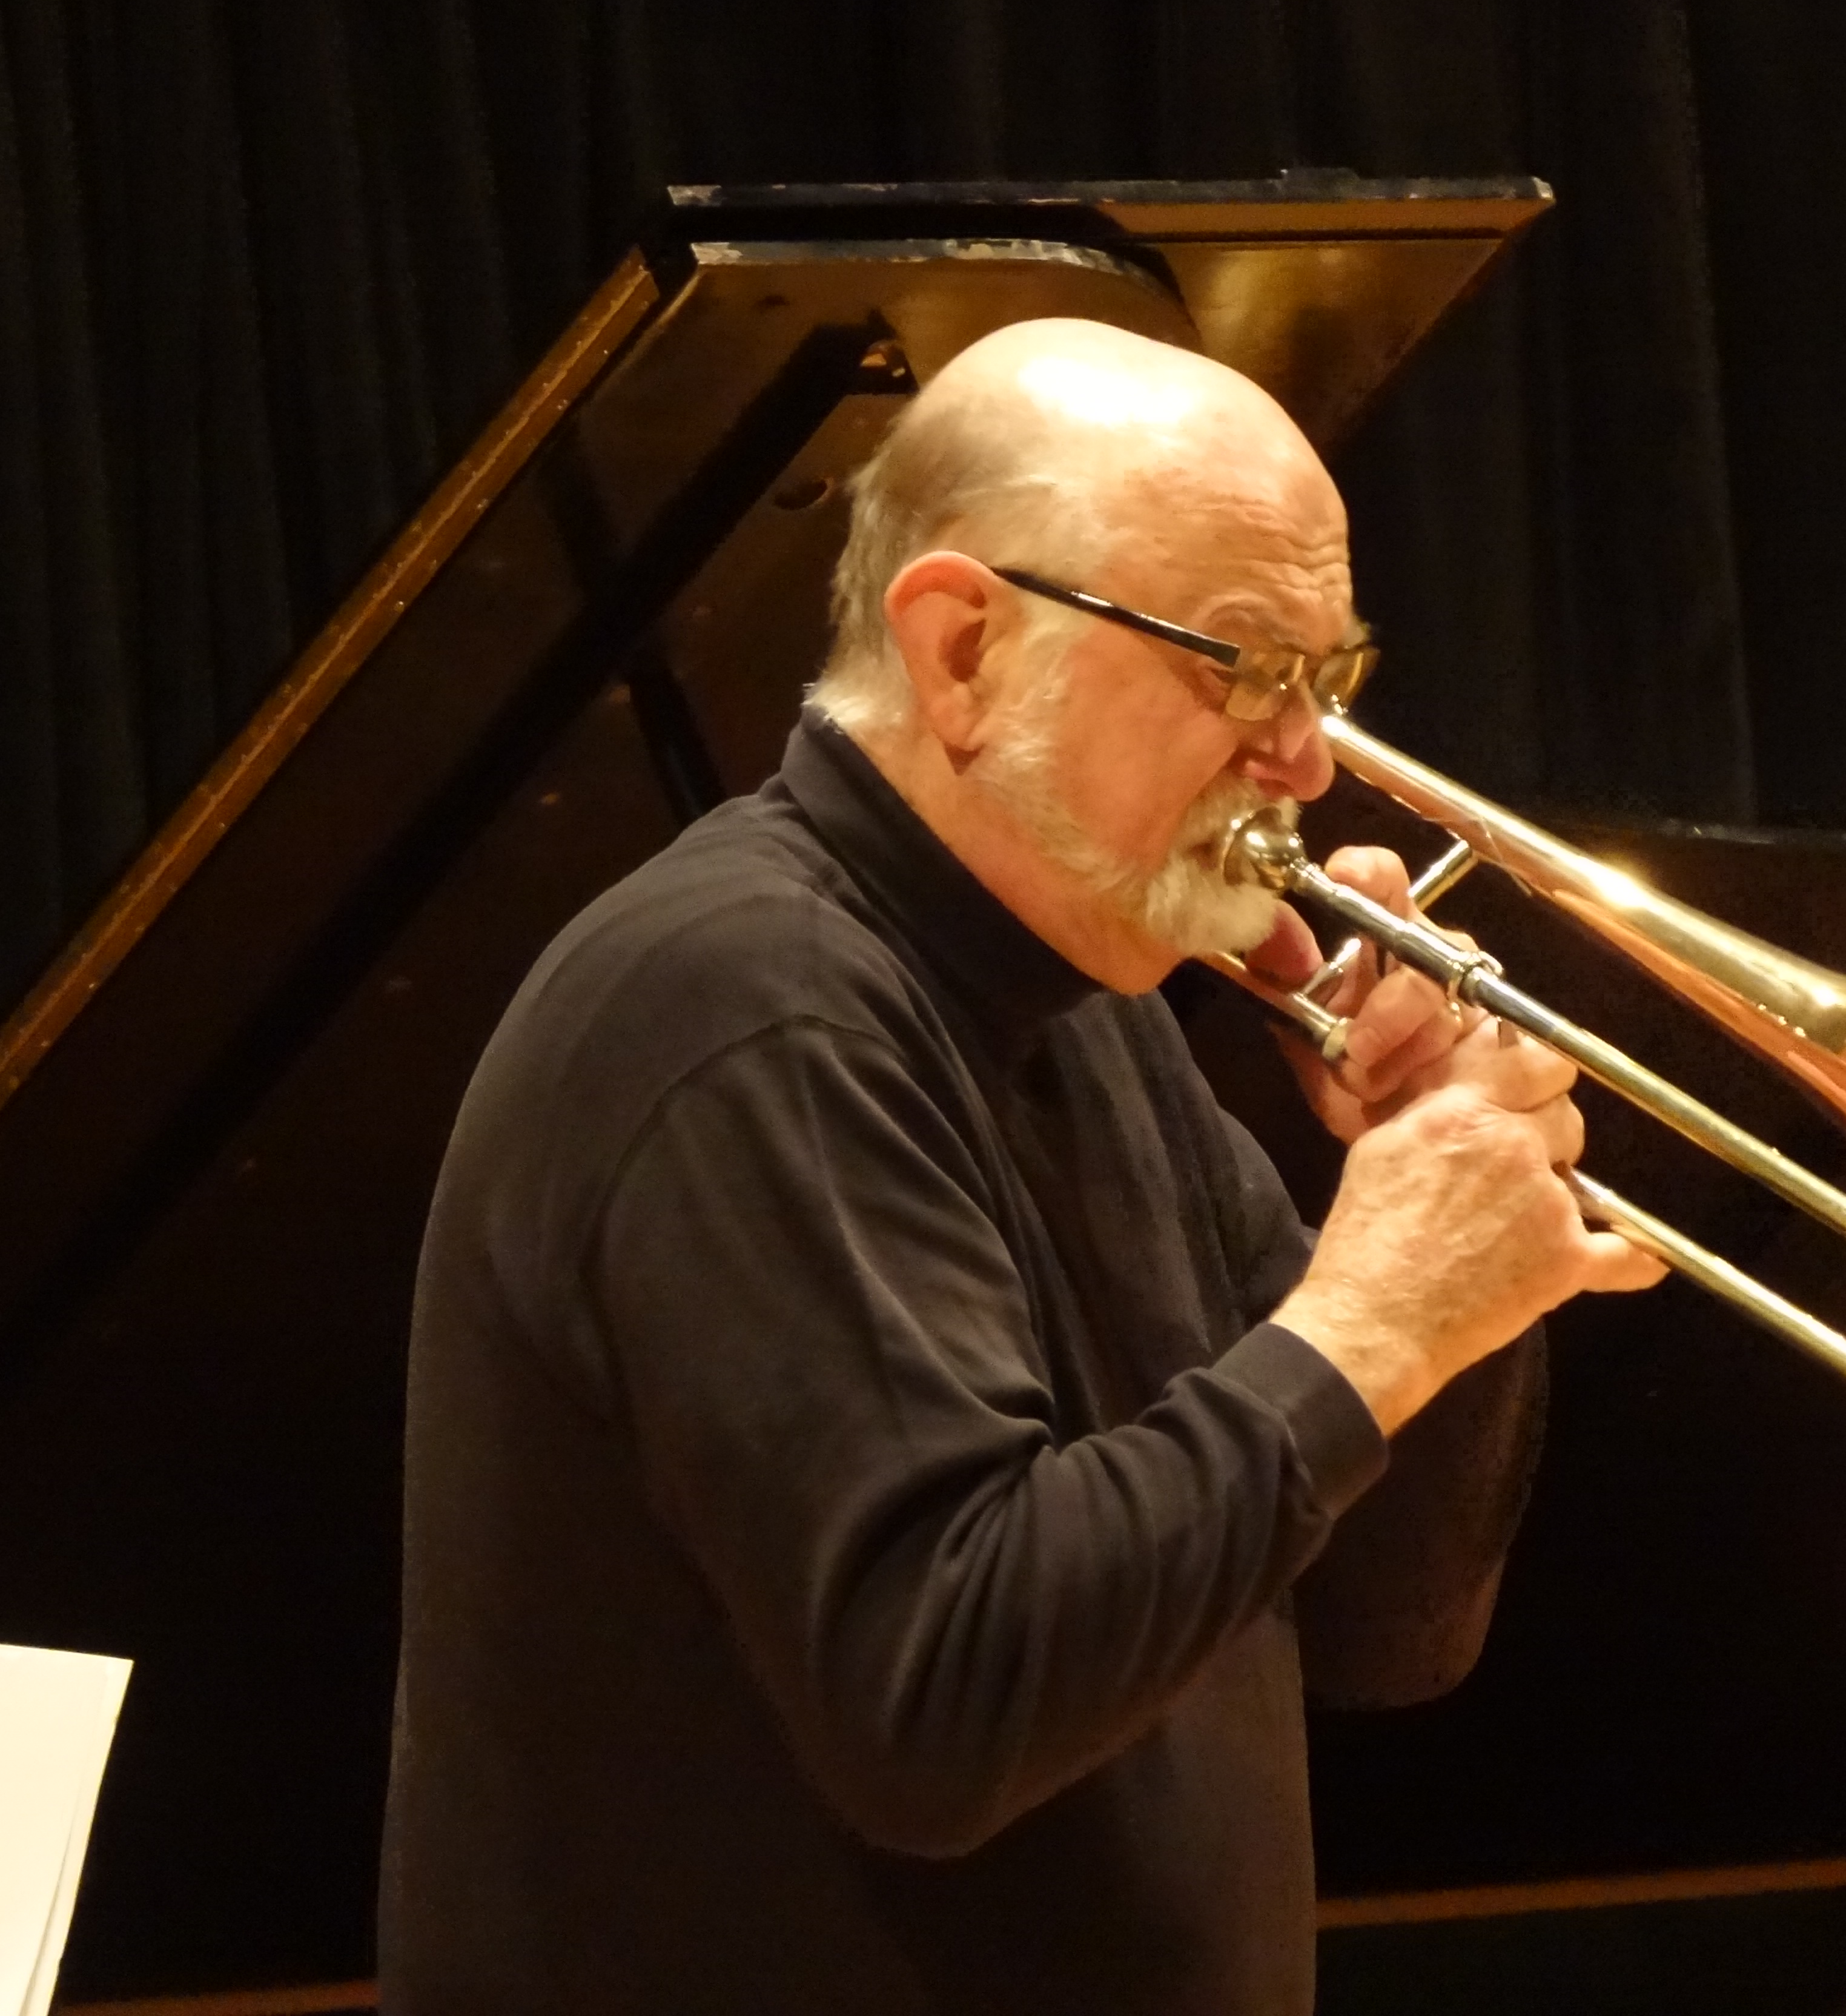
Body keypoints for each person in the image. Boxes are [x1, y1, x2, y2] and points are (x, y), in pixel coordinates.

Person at [377, 317, 1660, 2014]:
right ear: (964, 648)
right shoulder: (749, 1009)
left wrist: (1441, 1237)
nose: (1310, 764)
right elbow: (941, 1702)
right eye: (1244, 669)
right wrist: (1376, 1318)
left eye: (1328, 681)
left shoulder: (1089, 1007)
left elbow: (1391, 1629)